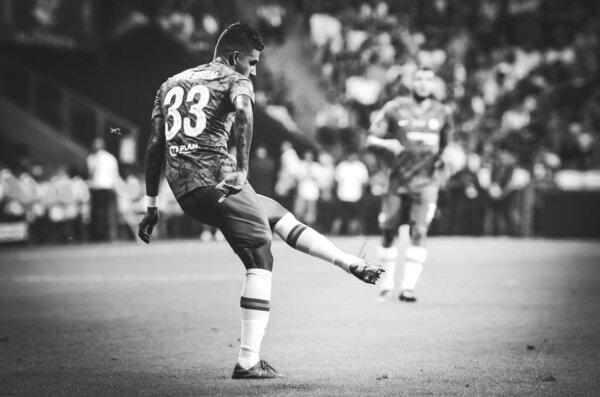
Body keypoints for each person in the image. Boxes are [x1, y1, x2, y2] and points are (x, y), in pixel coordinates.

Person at [137, 22, 383, 380]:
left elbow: (154, 146)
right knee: (260, 255)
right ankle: (249, 360)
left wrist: (151, 205)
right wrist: (241, 169)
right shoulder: (235, 79)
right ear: (235, 56)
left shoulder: (169, 84)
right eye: (251, 62)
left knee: (274, 213)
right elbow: (245, 112)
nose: (253, 70)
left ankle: (348, 263)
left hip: (187, 191)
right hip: (220, 182)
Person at [365, 67, 454, 303]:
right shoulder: (395, 108)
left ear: (433, 84)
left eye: (428, 79)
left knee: (420, 231)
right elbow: (370, 138)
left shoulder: (443, 112)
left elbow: (446, 146)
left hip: (426, 183)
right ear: (411, 82)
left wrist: (446, 161)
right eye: (419, 79)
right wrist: (387, 144)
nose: (424, 84)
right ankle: (387, 284)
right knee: (388, 231)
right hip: (397, 181)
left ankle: (408, 288)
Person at [87, 138, 120, 241]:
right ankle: (109, 236)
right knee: (108, 214)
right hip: (108, 188)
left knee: (97, 214)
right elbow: (115, 175)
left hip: (97, 188)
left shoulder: (92, 158)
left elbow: (91, 174)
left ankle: (98, 236)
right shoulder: (111, 158)